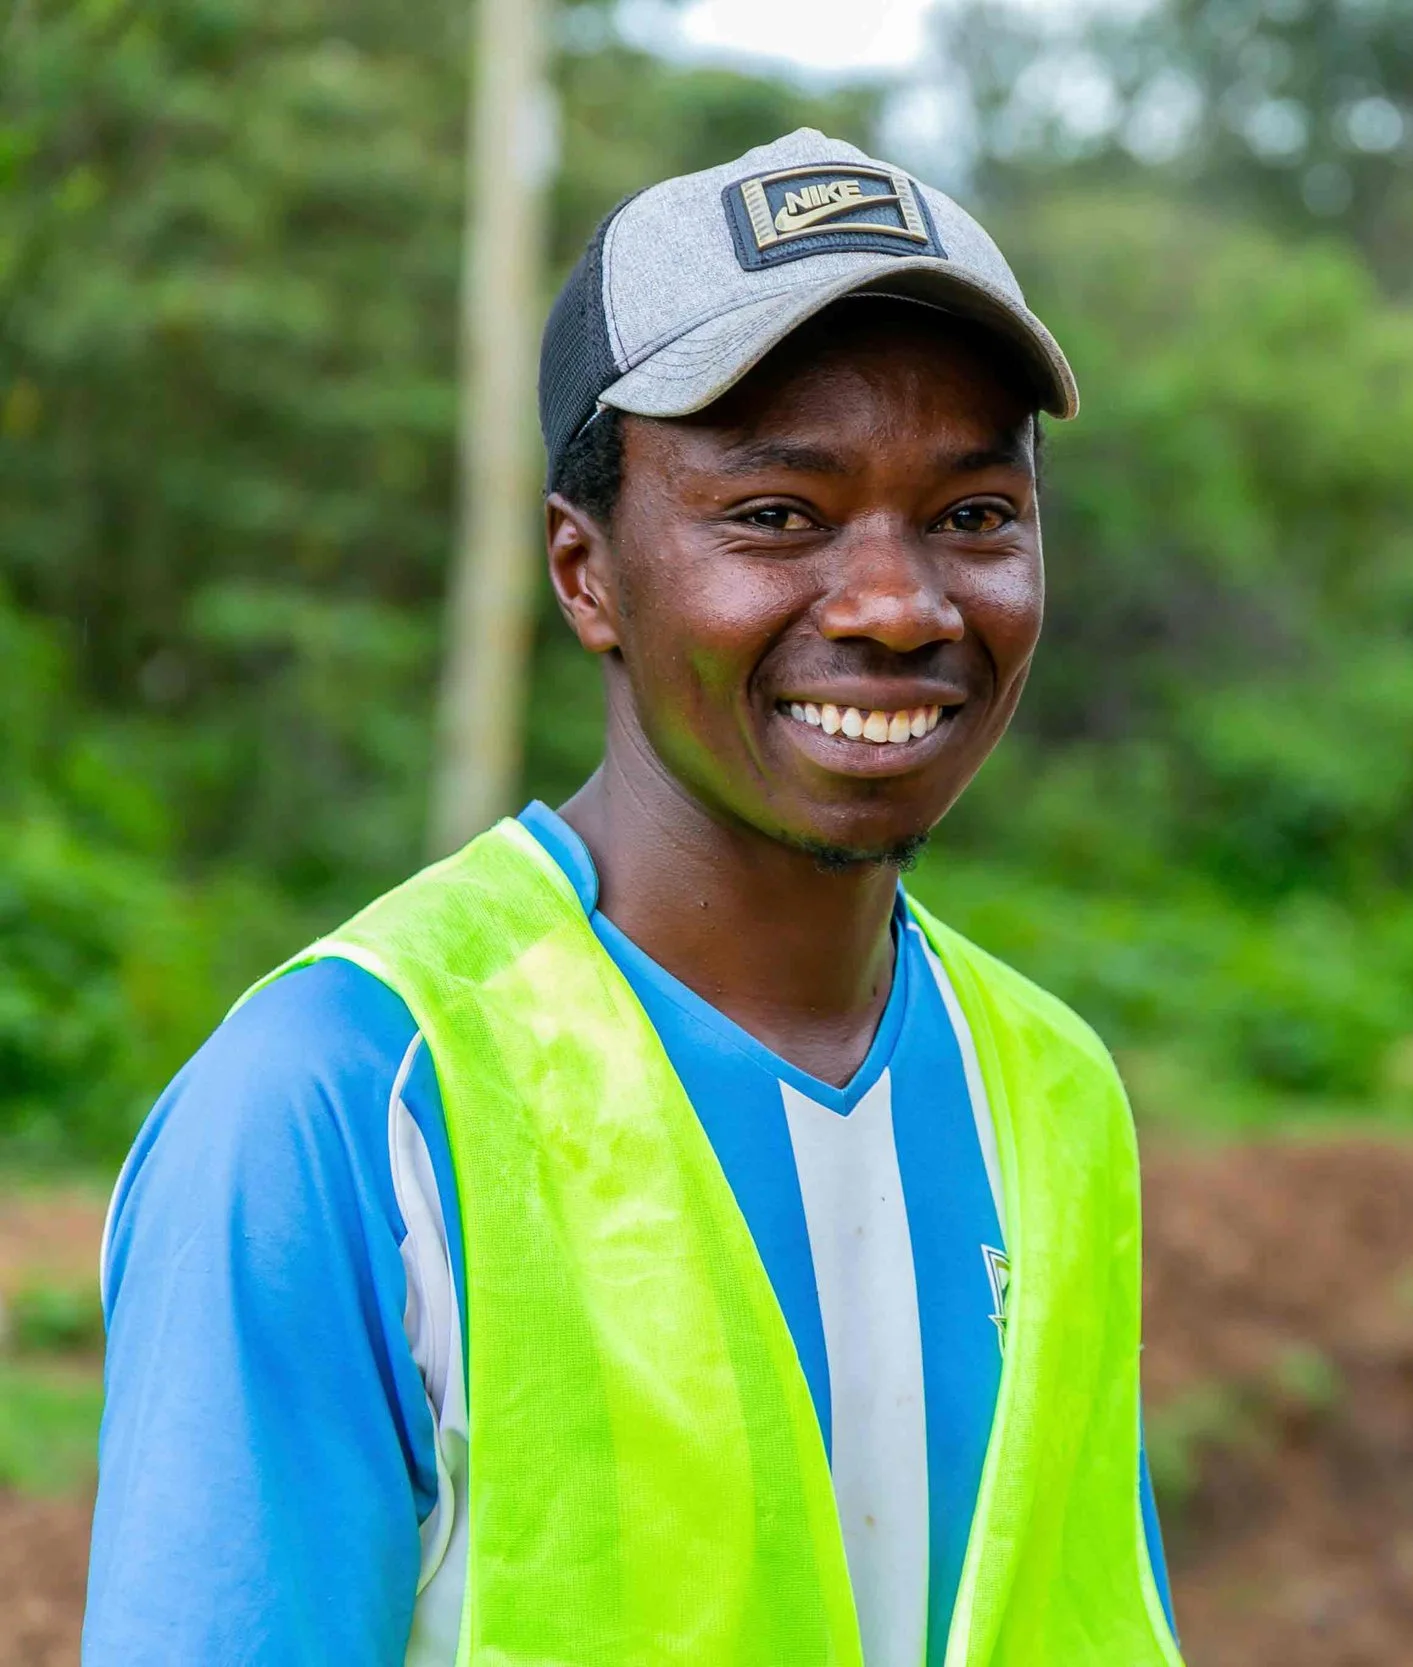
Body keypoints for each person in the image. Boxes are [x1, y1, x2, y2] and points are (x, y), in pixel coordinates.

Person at [86, 132, 1184, 1666]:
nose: (897, 603)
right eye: (778, 514)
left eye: (973, 514)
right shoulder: (347, 1105)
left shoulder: (1050, 1092)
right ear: (586, 572)